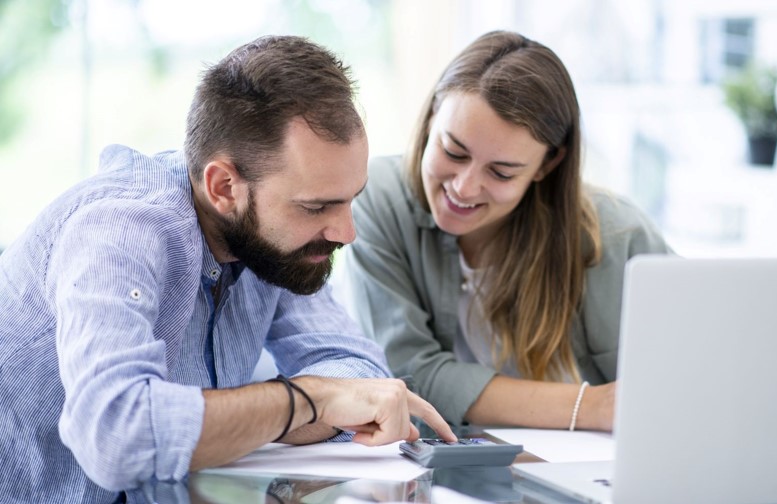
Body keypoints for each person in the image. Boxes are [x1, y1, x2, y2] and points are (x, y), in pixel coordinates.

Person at [0, 35, 454, 503]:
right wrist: (308, 400)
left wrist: (265, 414)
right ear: (223, 187)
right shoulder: (119, 230)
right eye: (317, 206)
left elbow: (360, 379)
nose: (345, 232)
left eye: (349, 199)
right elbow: (117, 437)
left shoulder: (277, 243)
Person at [345, 30, 672, 433]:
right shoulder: (377, 197)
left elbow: (685, 378)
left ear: (547, 165)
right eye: (453, 151)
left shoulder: (618, 236)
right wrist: (593, 407)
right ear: (431, 118)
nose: (464, 187)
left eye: (501, 172)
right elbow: (406, 377)